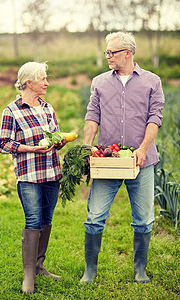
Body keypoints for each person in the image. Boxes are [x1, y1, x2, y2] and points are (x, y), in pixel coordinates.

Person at [80, 32, 165, 284]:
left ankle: (140, 270)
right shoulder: (99, 82)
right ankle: (90, 270)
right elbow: (92, 115)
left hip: (142, 161)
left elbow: (155, 117)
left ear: (127, 53)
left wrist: (142, 148)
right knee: (95, 216)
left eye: (111, 52)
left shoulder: (152, 81)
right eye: (106, 52)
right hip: (108, 160)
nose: (107, 56)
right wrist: (87, 146)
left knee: (144, 219)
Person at [0, 61, 66, 293]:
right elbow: (4, 144)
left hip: (52, 173)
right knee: (33, 220)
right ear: (29, 83)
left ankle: (39, 266)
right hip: (28, 175)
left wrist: (60, 141)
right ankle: (28, 276)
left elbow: (54, 138)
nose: (47, 82)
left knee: (46, 219)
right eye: (43, 79)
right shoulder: (12, 111)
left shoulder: (48, 109)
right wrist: (31, 148)